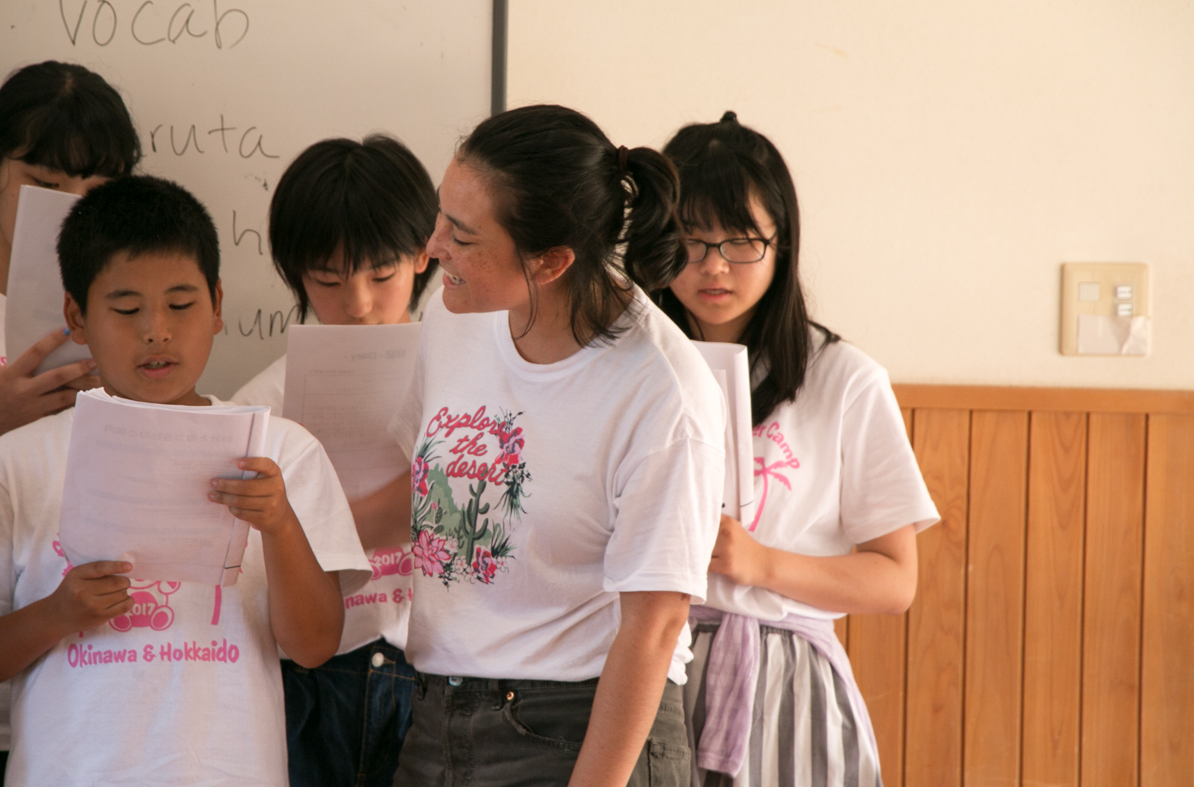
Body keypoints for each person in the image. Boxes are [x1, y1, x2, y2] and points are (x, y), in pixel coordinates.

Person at [0, 175, 371, 787]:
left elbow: (316, 644)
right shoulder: (15, 462)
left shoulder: (281, 451)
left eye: (182, 305)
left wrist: (279, 523)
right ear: (76, 316)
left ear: (218, 305)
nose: (157, 330)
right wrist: (57, 614)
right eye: (127, 308)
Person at [355, 104, 725, 787]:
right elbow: (433, 490)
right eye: (441, 216)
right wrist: (290, 521)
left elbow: (655, 626)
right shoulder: (453, 313)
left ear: (551, 261)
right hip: (436, 713)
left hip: (579, 727)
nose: (432, 247)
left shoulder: (663, 393)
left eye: (462, 236)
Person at [651, 112, 939, 787]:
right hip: (646, 661)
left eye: (741, 241)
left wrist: (760, 563)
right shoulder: (627, 366)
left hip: (785, 681)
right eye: (689, 240)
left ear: (782, 244)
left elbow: (896, 579)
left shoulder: (842, 377)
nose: (714, 265)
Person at [0, 59, 140, 787]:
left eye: (95, 191)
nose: (70, 208)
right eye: (44, 184)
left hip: (86, 705)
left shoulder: (130, 316)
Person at [231, 135, 435, 787]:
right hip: (318, 682)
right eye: (328, 278)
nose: (359, 302)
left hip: (442, 673)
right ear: (296, 273)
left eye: (383, 273)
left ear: (424, 254)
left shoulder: (468, 380)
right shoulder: (260, 407)